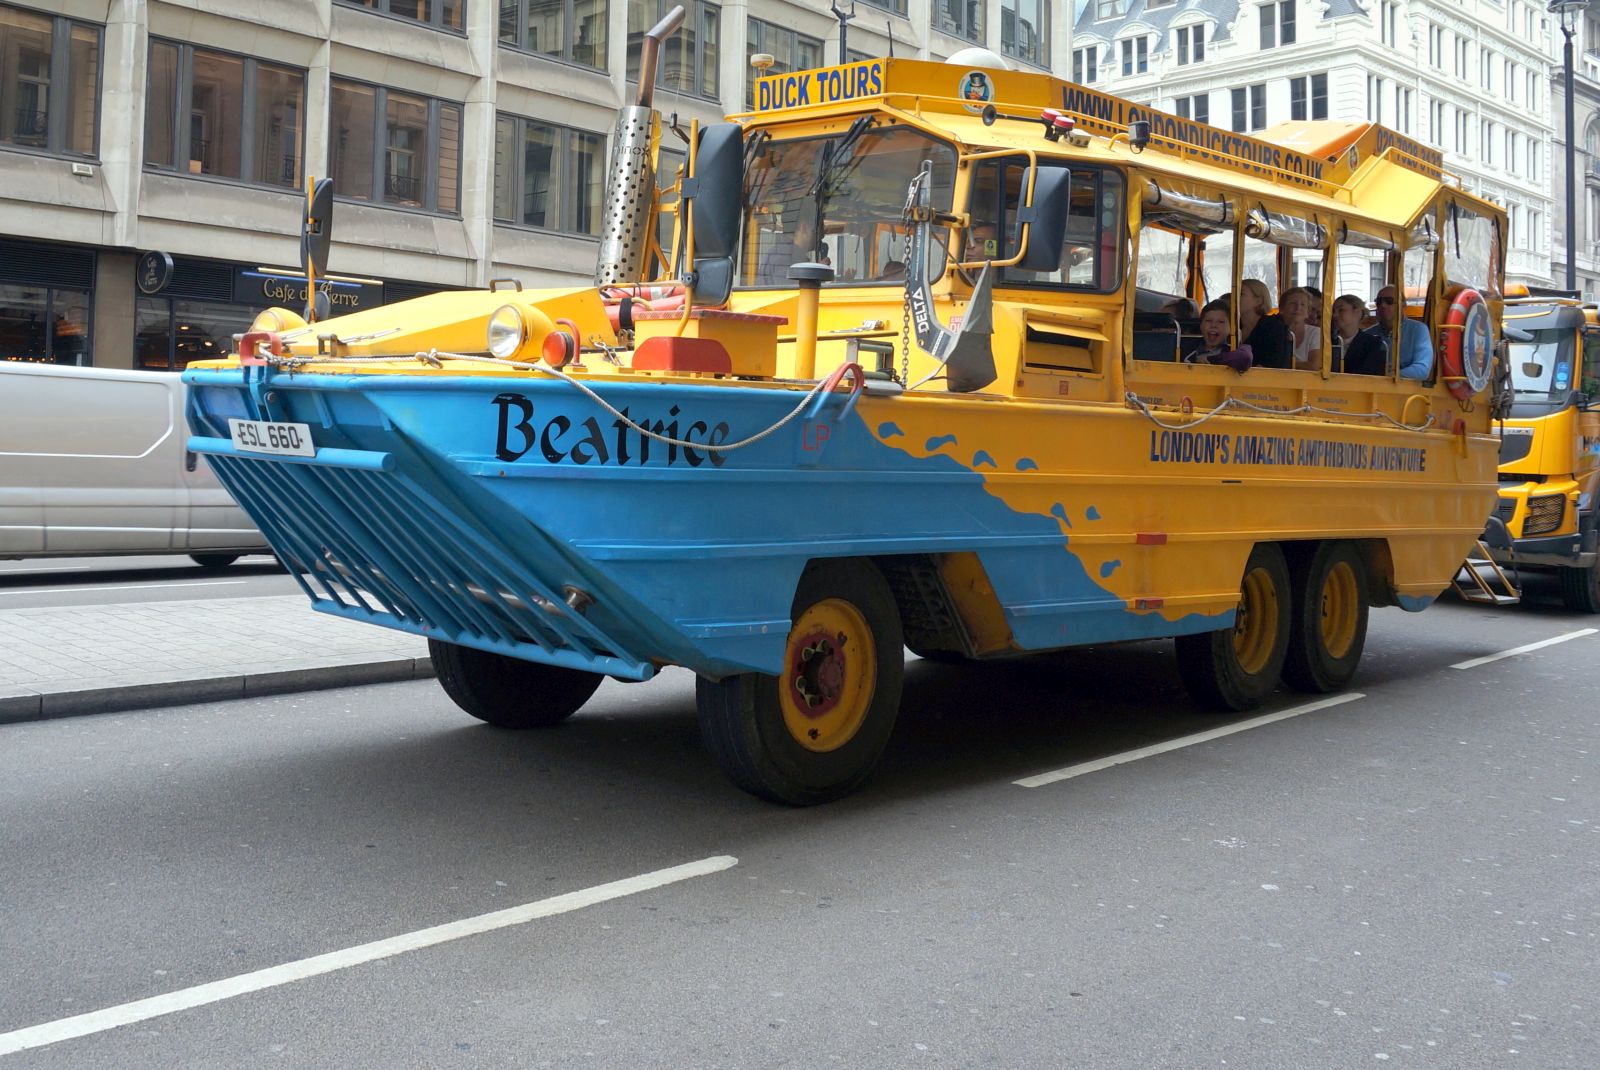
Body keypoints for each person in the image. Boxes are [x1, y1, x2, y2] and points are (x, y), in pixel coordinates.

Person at [1371, 284, 1433, 380]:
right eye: (1379, 302)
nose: (1383, 305)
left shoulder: (1419, 330)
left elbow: (1422, 370)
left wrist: (1393, 375)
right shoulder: (1368, 334)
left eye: (1389, 301)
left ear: (1403, 305)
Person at [1236, 278, 1292, 369]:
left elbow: (1276, 359)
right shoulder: (1233, 325)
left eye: (1241, 294)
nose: (1235, 297)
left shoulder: (1273, 326)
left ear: (1258, 301)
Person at [1183, 300, 1253, 373]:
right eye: (1208, 320)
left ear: (1231, 328)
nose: (1213, 325)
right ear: (1201, 325)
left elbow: (1245, 358)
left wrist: (1209, 359)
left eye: (1221, 322)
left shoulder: (1236, 348)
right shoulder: (1186, 347)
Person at [1330, 293, 1386, 375]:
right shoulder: (1327, 341)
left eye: (1341, 310)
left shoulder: (1372, 343)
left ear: (1358, 313)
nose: (1335, 315)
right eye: (1333, 311)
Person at [758, 216, 818, 284]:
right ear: (803, 227)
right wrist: (818, 274)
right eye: (816, 231)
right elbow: (790, 292)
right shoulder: (787, 257)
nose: (821, 236)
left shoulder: (778, 252)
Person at [1280, 286, 1323, 371]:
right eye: (1292, 303)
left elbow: (1314, 366)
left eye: (1303, 304)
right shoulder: (1271, 330)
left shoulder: (1315, 333)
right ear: (1281, 308)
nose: (1298, 308)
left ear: (1308, 312)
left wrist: (1283, 364)